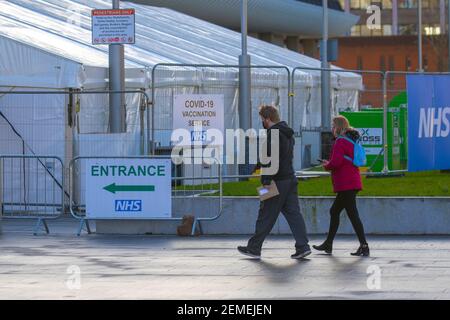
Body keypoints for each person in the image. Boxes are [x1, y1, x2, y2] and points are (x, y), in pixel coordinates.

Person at [238, 106, 311, 260]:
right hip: (290, 179)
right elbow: (279, 155)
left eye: (262, 120)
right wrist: (259, 164)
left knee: (265, 213)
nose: (262, 123)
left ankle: (254, 248)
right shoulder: (287, 133)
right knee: (294, 214)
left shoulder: (273, 134)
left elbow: (272, 158)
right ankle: (303, 247)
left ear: (267, 119)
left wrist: (265, 180)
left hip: (275, 182)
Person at [313, 115, 370, 257]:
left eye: (333, 125)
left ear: (337, 126)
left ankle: (364, 245)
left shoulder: (340, 141)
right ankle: (329, 244)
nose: (332, 128)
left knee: (352, 214)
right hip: (351, 182)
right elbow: (343, 160)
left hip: (346, 183)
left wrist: (327, 165)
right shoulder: (350, 140)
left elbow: (336, 163)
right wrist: (331, 162)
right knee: (335, 211)